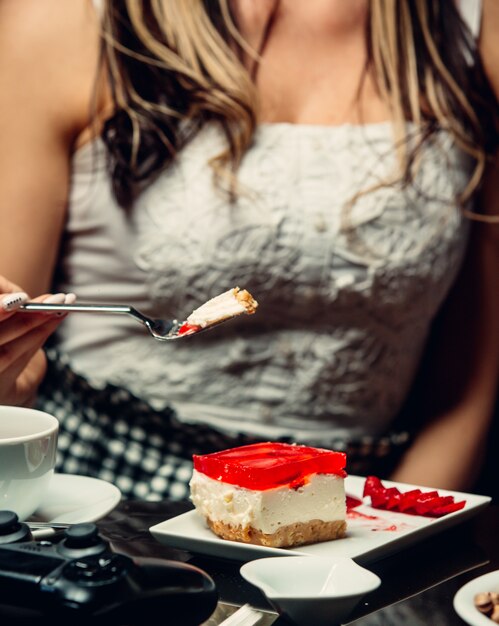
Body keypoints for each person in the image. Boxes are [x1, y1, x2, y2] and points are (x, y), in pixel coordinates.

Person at [0, 0, 497, 501]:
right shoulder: (63, 19)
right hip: (101, 495)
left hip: (358, 504)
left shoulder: (473, 27)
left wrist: (394, 529)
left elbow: (467, 384)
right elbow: (14, 364)